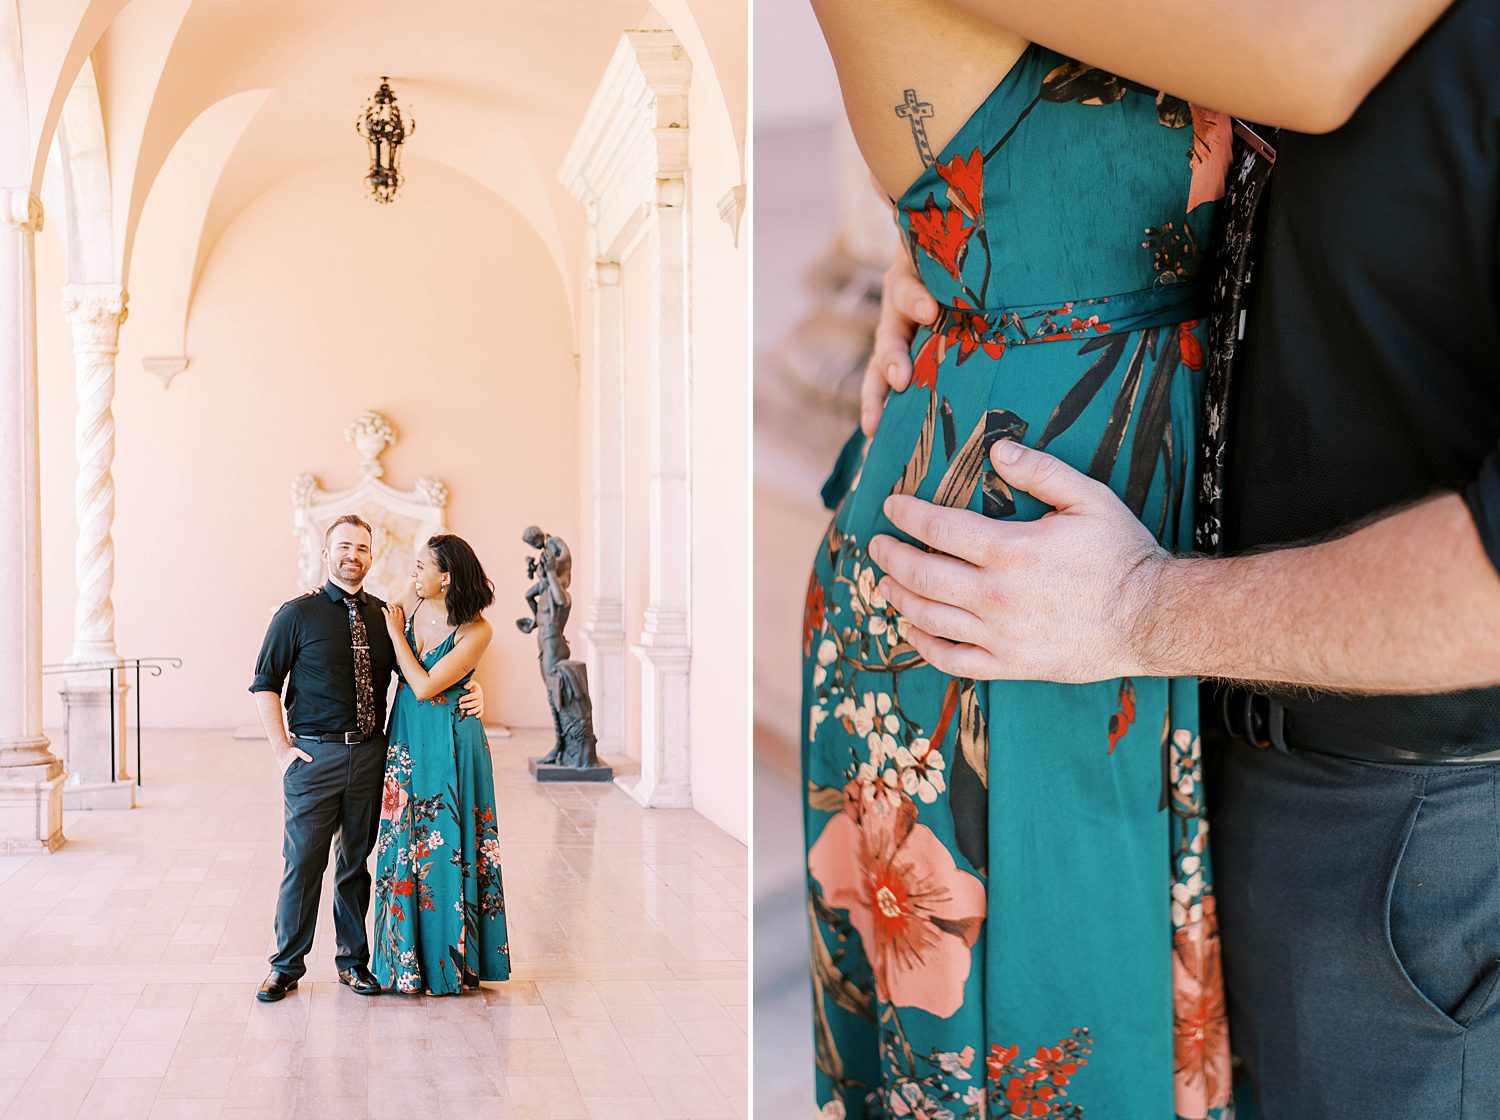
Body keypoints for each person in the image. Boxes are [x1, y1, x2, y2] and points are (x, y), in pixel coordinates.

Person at [797, 2, 1456, 1117]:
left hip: (1138, 558)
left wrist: (962, 232)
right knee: (1067, 1060)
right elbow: (1317, 60)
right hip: (1020, 571)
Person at [250, 514, 485, 1002]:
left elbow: (424, 674)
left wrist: (474, 689)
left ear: (371, 556)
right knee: (304, 865)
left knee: (356, 865)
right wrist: (282, 752)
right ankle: (286, 966)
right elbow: (265, 684)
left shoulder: (387, 616)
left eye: (361, 547)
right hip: (314, 759)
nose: (351, 555)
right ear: (325, 552)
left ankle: (353, 964)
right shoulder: (295, 615)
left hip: (373, 756)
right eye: (343, 546)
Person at [371, 533, 510, 994]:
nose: (413, 573)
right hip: (408, 738)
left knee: (452, 842)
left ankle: (454, 966)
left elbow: (426, 685)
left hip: (454, 741)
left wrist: (396, 634)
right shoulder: (410, 601)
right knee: (402, 843)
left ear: (445, 578)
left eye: (421, 566)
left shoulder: (478, 630)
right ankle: (402, 965)